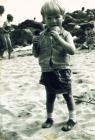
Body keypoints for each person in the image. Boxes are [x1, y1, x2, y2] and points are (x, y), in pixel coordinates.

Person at [32, 0, 76, 131]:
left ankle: (72, 118)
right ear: (44, 19)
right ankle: (49, 117)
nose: (53, 21)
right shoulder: (41, 36)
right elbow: (36, 54)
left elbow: (72, 51)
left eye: (57, 17)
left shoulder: (66, 34)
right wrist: (34, 44)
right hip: (47, 70)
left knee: (67, 95)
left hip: (62, 69)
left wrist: (58, 38)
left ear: (63, 17)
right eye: (49, 18)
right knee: (49, 96)